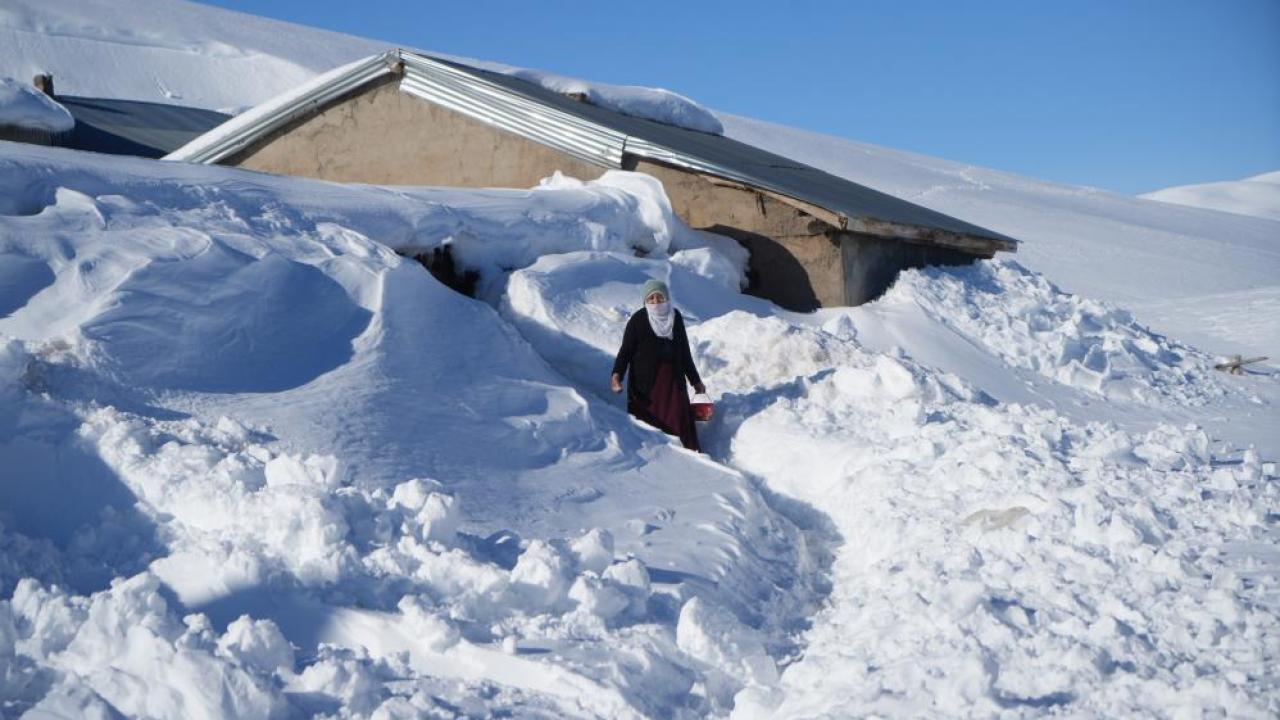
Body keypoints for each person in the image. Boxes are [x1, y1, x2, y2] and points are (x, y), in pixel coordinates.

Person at [611, 279, 705, 451]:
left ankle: (690, 456)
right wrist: (617, 375)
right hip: (646, 385)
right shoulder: (638, 320)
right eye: (651, 298)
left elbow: (684, 352)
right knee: (650, 424)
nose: (656, 302)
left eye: (659, 297)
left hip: (673, 382)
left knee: (679, 418)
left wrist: (695, 381)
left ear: (666, 298)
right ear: (645, 301)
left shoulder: (675, 318)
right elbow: (625, 352)